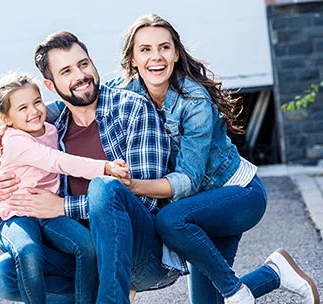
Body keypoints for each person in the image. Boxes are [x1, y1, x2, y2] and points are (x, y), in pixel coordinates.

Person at [104, 14, 320, 304]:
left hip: (237, 196)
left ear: (176, 53)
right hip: (197, 211)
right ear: (132, 59)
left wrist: (132, 187)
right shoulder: (124, 92)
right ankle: (275, 272)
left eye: (164, 48)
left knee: (169, 220)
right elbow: (83, 99)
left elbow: (188, 181)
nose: (156, 57)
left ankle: (234, 292)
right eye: (145, 49)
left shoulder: (193, 100)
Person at [0, 31, 189, 304]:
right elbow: (22, 145)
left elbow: (145, 198)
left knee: (105, 187)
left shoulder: (132, 109)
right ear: (50, 85)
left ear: (93, 63)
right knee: (1, 275)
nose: (79, 76)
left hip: (139, 254)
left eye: (83, 64)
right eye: (66, 71)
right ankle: (92, 295)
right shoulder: (50, 126)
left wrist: (63, 207)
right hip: (85, 251)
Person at [0, 72, 130, 304]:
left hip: (47, 210)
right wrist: (105, 167)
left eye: (37, 102)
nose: (33, 111)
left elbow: (66, 104)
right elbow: (56, 160)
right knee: (29, 252)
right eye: (22, 108)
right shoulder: (15, 140)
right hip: (16, 213)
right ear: (7, 119)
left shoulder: (49, 128)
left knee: (87, 246)